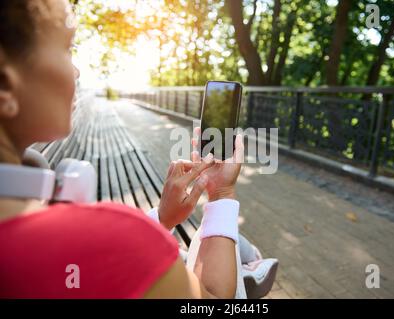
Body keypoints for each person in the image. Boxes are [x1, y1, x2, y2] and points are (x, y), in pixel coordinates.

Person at [0, 0, 277, 298]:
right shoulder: (115, 239)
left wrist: (162, 218)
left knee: (219, 249)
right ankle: (248, 269)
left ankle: (246, 265)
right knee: (234, 249)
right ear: (5, 86)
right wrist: (222, 194)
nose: (77, 72)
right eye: (68, 49)